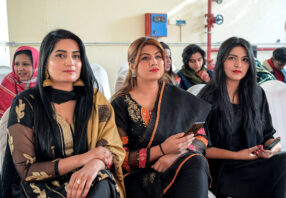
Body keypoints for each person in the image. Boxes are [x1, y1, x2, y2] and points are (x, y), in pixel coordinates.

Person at [1, 29, 125, 198]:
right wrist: (84, 159)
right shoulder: (26, 103)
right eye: (60, 55)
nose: (70, 62)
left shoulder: (95, 100)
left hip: (87, 179)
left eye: (76, 56)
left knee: (101, 182)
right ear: (45, 62)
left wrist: (93, 165)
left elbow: (112, 149)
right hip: (39, 187)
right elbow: (27, 170)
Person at [198, 37, 286, 198]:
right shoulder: (207, 97)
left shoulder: (257, 94)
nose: (238, 64)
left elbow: (268, 136)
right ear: (222, 60)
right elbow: (202, 147)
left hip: (254, 164)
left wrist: (272, 149)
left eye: (245, 60)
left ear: (250, 65)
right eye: (232, 58)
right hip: (224, 170)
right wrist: (238, 155)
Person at [111, 37, 212, 198]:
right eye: (145, 58)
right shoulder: (120, 105)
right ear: (132, 66)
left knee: (196, 161)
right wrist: (162, 150)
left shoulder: (177, 96)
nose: (154, 62)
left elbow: (201, 137)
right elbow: (122, 161)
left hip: (179, 165)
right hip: (140, 177)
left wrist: (176, 155)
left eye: (158, 56)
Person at [0, 46, 39, 119]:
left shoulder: (44, 83)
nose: (19, 68)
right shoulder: (9, 81)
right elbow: (3, 114)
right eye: (17, 64)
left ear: (36, 65)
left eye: (25, 64)